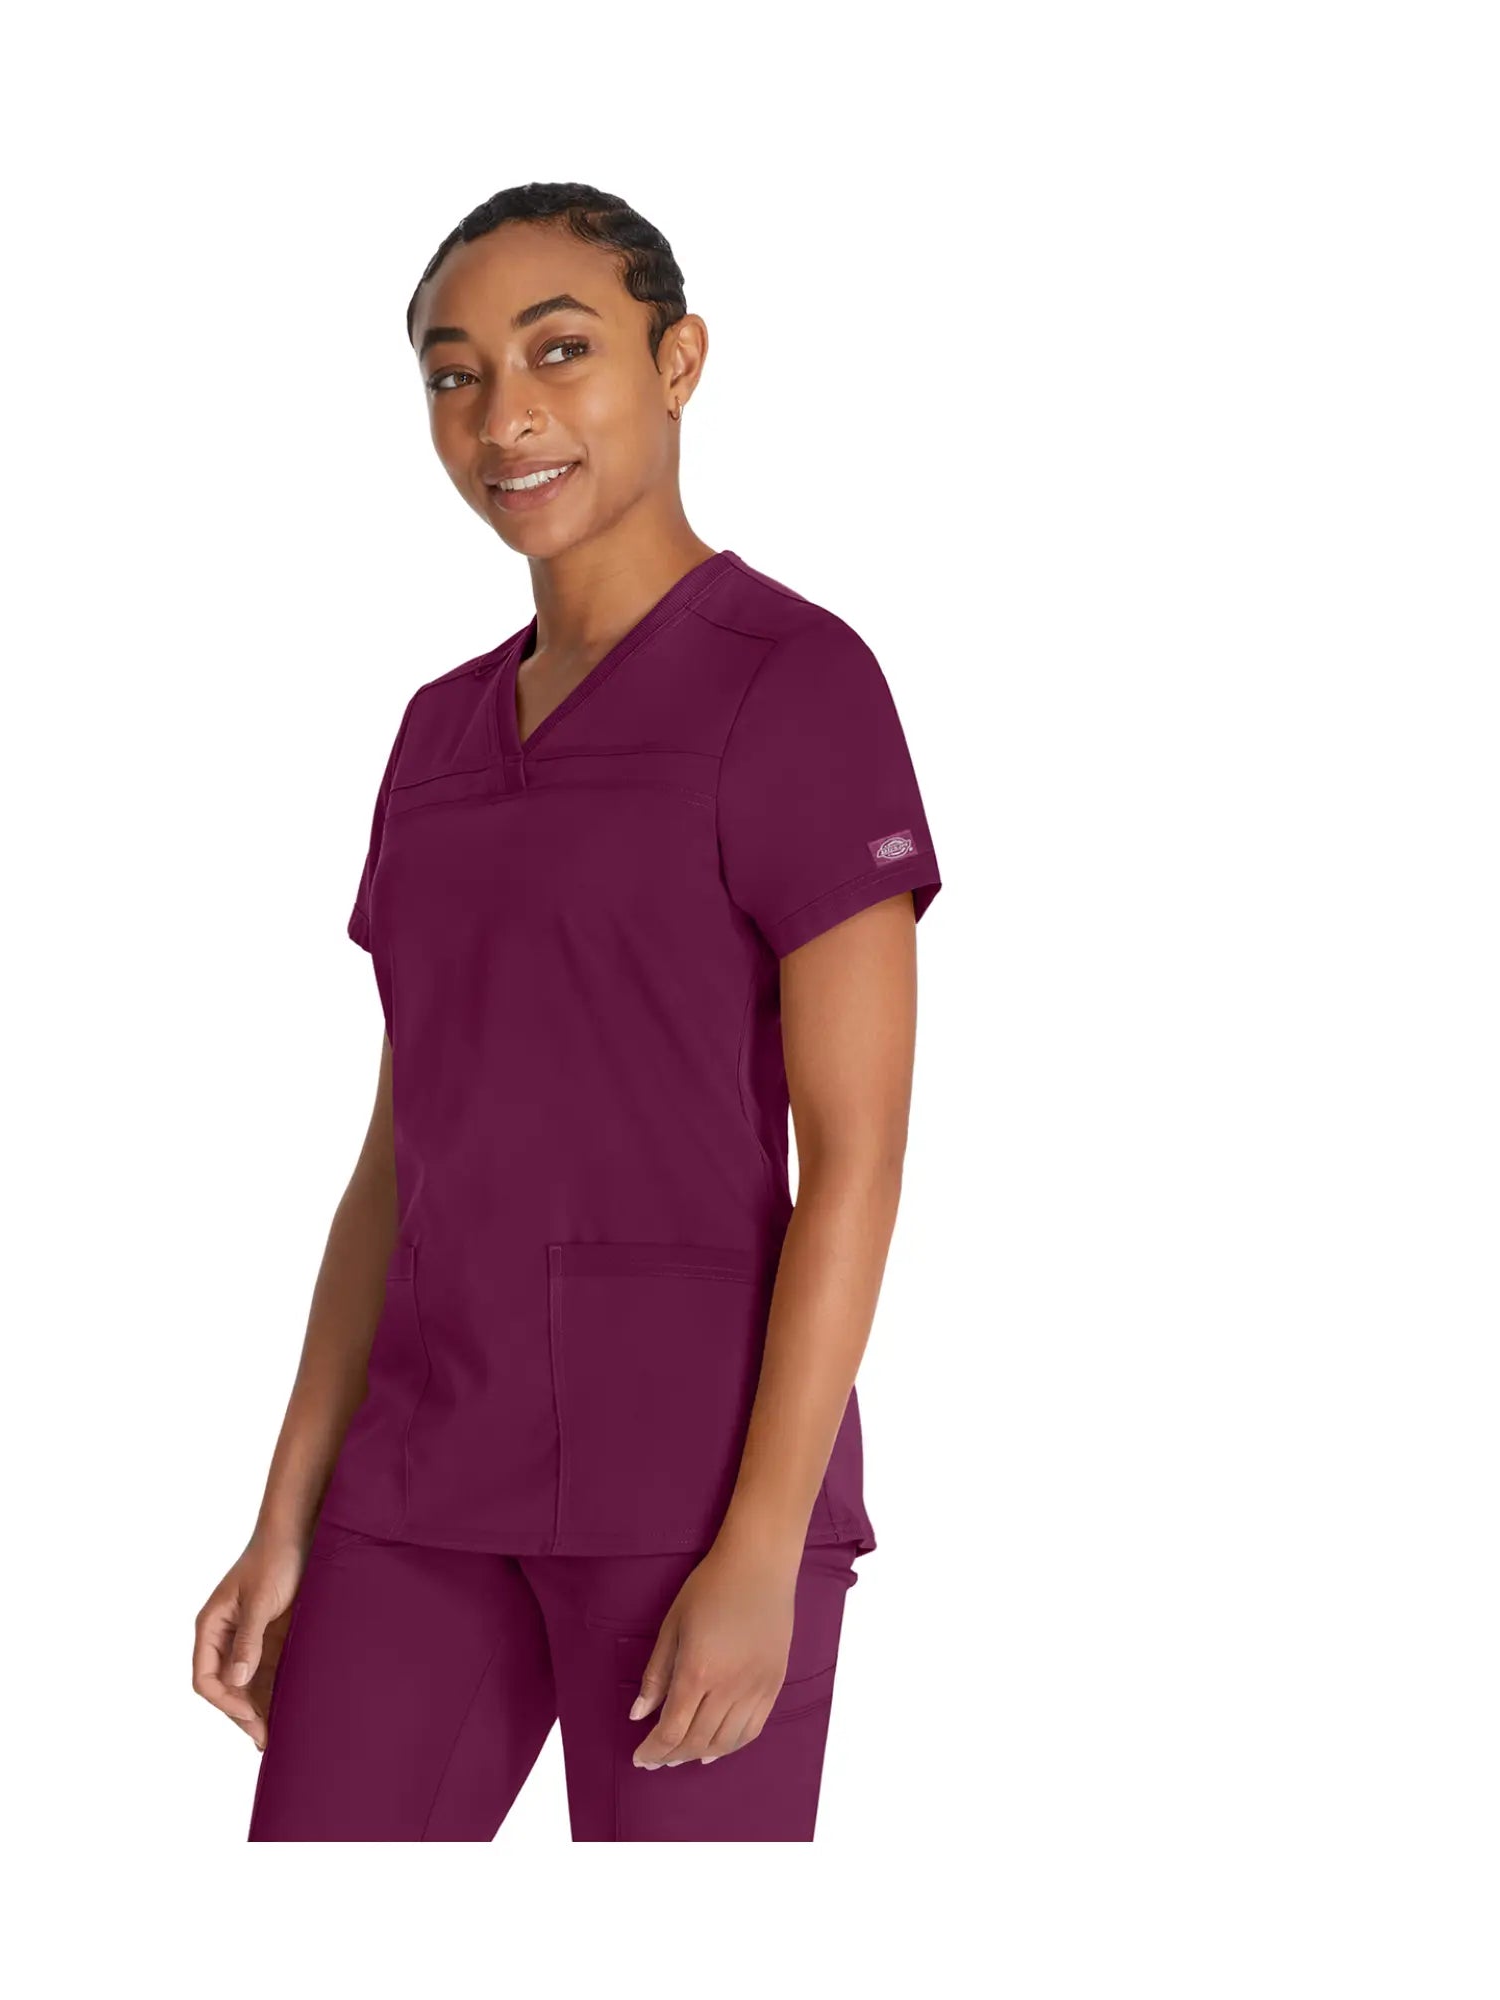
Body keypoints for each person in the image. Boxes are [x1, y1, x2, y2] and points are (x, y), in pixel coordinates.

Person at [194, 182, 944, 1841]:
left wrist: (763, 1546)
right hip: (419, 1480)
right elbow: (399, 1162)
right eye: (454, 375)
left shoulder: (796, 684)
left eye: (560, 352)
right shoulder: (435, 736)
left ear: (679, 362)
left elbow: (859, 1161)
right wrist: (289, 1511)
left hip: (691, 1487)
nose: (504, 416)